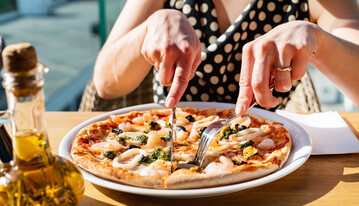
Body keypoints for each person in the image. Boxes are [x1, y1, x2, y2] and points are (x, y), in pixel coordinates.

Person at [81, 0, 359, 113]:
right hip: (168, 149)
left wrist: (317, 39)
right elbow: (106, 82)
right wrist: (149, 28)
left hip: (266, 161)